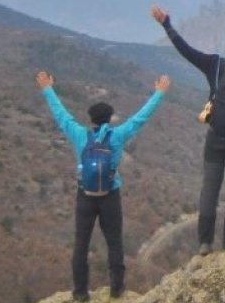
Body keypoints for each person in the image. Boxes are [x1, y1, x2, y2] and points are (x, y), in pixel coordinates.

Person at [37, 70, 168, 301]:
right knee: (114, 241)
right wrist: (159, 93)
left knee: (81, 243)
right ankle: (117, 289)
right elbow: (140, 118)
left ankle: (79, 292)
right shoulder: (117, 136)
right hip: (110, 194)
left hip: (85, 195)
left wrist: (47, 88)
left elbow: (61, 115)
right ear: (110, 118)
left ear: (91, 120)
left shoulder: (80, 135)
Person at [150, 5, 225, 255]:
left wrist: (167, 25)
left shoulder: (215, 65)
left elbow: (186, 51)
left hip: (215, 137)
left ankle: (205, 243)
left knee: (210, 189)